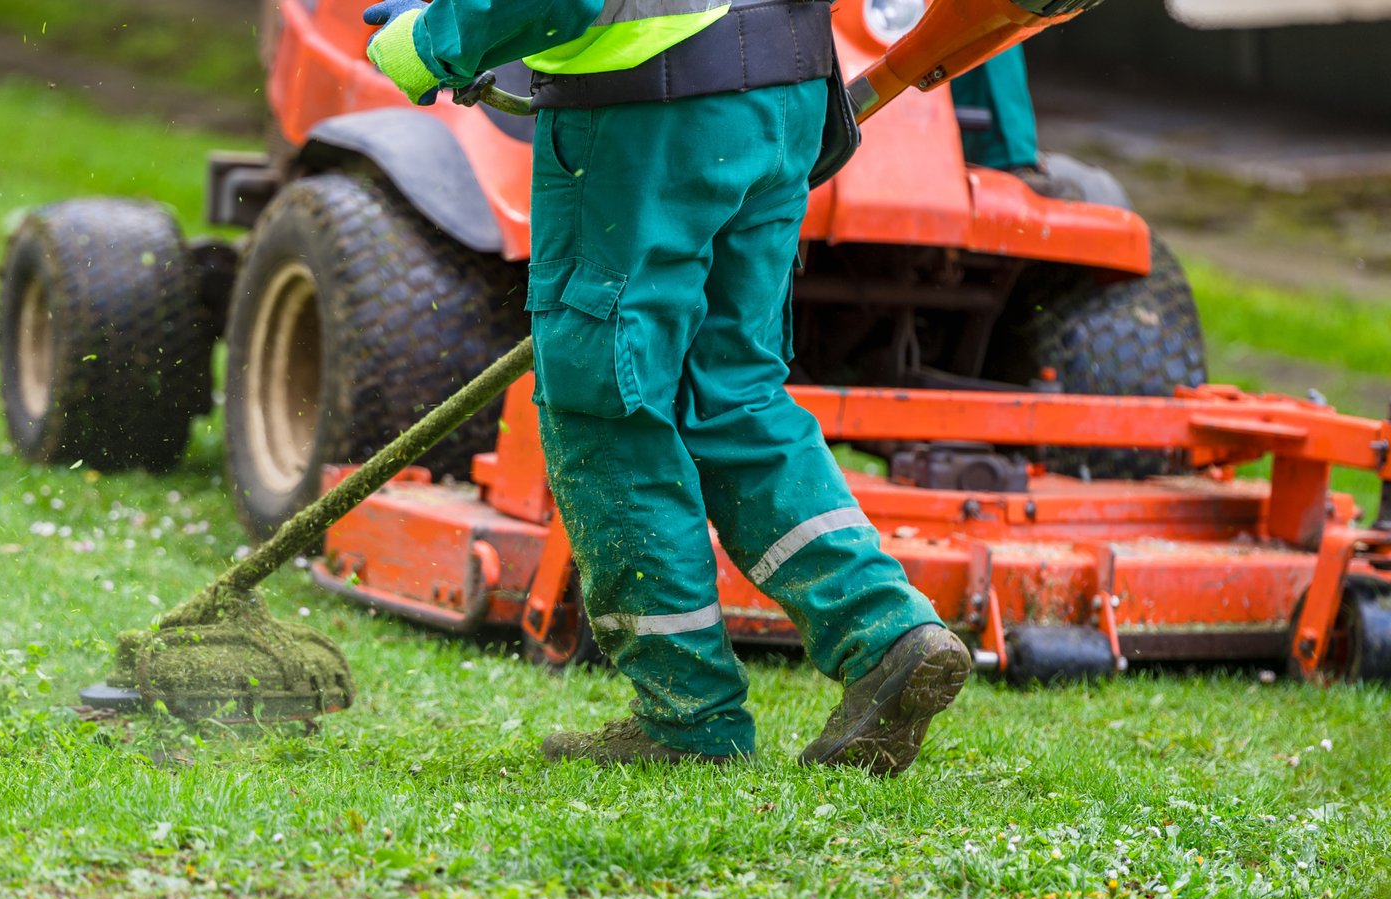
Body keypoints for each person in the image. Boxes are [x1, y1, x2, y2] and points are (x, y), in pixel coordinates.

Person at [363, 0, 972, 774]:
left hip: (647, 115)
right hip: (784, 91)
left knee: (609, 401)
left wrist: (428, 42)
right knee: (734, 396)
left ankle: (687, 720)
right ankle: (886, 633)